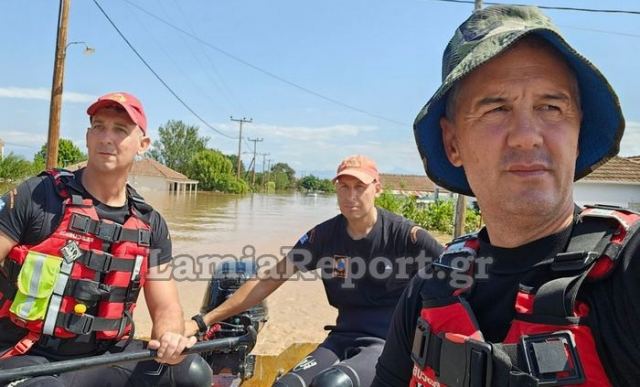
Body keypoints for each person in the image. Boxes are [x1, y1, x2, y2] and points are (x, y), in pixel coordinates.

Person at [372, 5, 640, 387]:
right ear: (452, 143)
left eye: (551, 107)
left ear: (578, 131)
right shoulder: (429, 289)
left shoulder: (628, 270)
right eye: (497, 109)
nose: (527, 134)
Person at [0, 92, 211, 386]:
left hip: (106, 357)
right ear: (87, 136)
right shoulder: (37, 196)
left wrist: (169, 338)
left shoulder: (150, 224)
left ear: (143, 145)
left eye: (120, 130)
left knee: (193, 373)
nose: (106, 138)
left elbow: (166, 307)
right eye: (99, 126)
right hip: (28, 354)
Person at [185, 155, 443, 387]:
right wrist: (203, 321)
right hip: (342, 336)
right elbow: (268, 280)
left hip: (387, 342)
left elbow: (457, 274)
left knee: (332, 384)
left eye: (359, 187)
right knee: (287, 385)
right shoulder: (323, 237)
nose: (351, 195)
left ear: (377, 188)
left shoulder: (405, 236)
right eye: (344, 187)